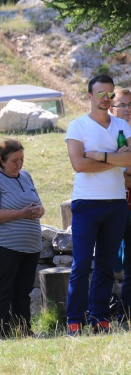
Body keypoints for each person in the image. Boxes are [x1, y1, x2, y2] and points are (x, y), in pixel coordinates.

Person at [66, 74, 131, 334]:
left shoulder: (123, 126)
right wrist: (115, 159)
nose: (105, 98)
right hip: (86, 203)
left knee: (105, 265)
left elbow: (130, 162)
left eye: (109, 94)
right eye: (100, 93)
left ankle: (100, 319)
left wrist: (100, 155)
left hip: (116, 202)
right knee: (81, 264)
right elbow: (79, 165)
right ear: (89, 96)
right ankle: (74, 320)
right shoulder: (77, 126)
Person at [0, 139, 44, 339]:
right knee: (4, 289)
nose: (19, 164)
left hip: (30, 245)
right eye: (14, 160)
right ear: (1, 160)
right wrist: (21, 213)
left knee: (23, 291)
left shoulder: (26, 176)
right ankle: (0, 333)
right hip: (6, 245)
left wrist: (39, 210)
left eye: (22, 159)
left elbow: (39, 205)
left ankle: (23, 331)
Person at [108, 88, 131, 321]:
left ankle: (125, 314)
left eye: (130, 104)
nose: (128, 109)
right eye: (122, 105)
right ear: (112, 109)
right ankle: (100, 314)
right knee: (107, 265)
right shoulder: (106, 134)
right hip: (111, 205)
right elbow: (110, 173)